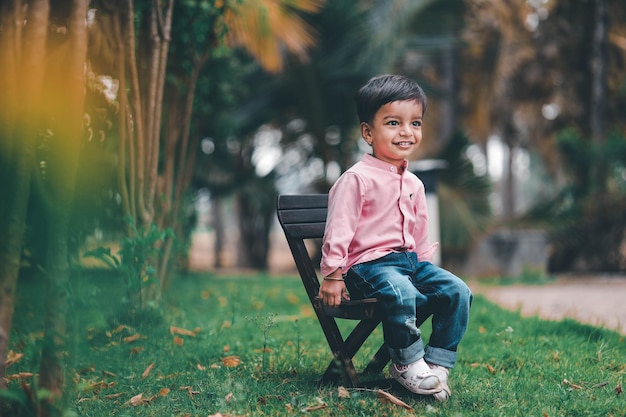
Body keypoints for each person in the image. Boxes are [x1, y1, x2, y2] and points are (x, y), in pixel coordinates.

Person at [319, 74, 472, 401]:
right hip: (367, 268)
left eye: (415, 122)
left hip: (408, 265)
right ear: (368, 132)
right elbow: (339, 229)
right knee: (400, 290)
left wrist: (427, 274)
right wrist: (332, 275)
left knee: (457, 290)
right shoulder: (356, 180)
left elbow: (419, 236)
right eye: (393, 122)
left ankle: (435, 365)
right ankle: (405, 365)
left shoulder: (414, 184)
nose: (406, 131)